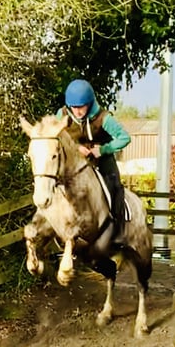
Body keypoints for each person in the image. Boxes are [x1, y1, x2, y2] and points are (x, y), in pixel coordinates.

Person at [57, 78, 130, 247]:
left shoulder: (104, 118)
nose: (78, 111)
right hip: (75, 162)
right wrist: (76, 148)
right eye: (74, 107)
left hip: (102, 159)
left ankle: (118, 233)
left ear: (89, 104)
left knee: (115, 187)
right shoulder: (62, 115)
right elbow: (56, 135)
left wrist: (103, 149)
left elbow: (125, 138)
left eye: (81, 107)